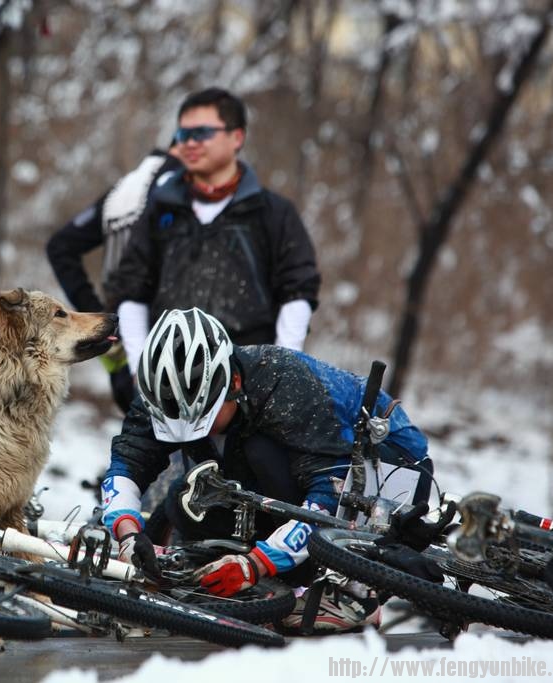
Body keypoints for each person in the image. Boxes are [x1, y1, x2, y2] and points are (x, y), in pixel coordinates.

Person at [101, 308, 434, 634]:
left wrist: (257, 563)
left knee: (259, 450)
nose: (196, 434)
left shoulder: (284, 383)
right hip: (297, 468)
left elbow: (329, 494)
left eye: (204, 419)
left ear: (232, 381)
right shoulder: (162, 392)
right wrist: (128, 534)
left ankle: (350, 596)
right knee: (185, 496)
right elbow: (129, 461)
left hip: (389, 468)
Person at [105, 87, 321, 375]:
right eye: (183, 135)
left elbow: (297, 292)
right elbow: (131, 289)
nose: (190, 143)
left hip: (247, 378)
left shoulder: (273, 212)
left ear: (237, 137)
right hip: (168, 376)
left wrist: (281, 369)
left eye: (203, 133)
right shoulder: (159, 208)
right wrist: (140, 368)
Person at [46, 146, 183, 412]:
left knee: (142, 445)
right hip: (167, 350)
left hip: (119, 351)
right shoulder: (176, 188)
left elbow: (60, 246)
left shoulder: (123, 191)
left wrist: (99, 316)